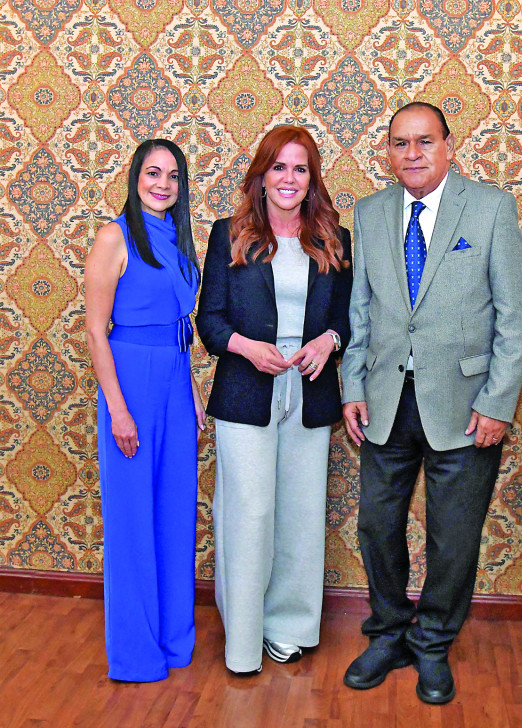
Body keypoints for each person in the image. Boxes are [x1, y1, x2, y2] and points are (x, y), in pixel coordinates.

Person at [340, 102, 522, 704]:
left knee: (454, 536)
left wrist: (499, 403)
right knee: (377, 527)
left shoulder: (492, 207)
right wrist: (351, 387)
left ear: (449, 145)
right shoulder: (369, 214)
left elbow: (514, 317)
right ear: (388, 152)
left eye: (425, 141)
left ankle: (433, 642)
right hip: (385, 402)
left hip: (467, 404)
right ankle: (389, 632)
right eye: (400, 143)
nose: (413, 153)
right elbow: (360, 315)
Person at [196, 125, 352, 674]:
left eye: (300, 168)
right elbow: (209, 322)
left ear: (312, 180)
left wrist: (327, 343)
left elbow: (344, 321)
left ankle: (288, 627)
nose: (289, 178)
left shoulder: (334, 238)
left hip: (308, 392)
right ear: (261, 176)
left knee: (300, 513)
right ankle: (243, 638)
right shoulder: (229, 234)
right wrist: (247, 348)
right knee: (250, 512)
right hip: (246, 388)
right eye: (279, 167)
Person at [85, 139, 204, 682]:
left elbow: (183, 325)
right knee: (133, 520)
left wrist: (192, 387)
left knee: (175, 515)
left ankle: (174, 642)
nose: (163, 183)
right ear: (135, 177)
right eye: (153, 173)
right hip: (130, 381)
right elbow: (95, 329)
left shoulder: (180, 242)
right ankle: (135, 655)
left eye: (173, 176)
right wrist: (117, 409)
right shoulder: (115, 236)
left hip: (176, 382)